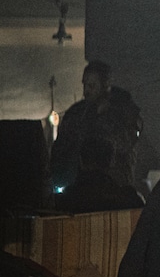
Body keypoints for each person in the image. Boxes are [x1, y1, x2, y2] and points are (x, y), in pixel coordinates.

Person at [49, 60, 142, 199]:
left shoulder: (124, 113)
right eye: (85, 85)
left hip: (115, 189)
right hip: (81, 187)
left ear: (105, 85)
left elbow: (124, 145)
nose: (86, 91)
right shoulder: (76, 114)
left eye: (92, 86)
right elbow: (61, 148)